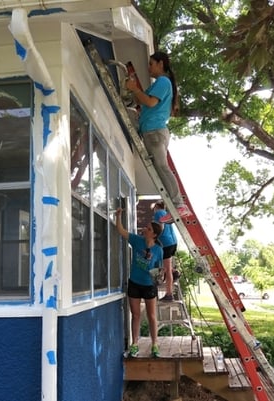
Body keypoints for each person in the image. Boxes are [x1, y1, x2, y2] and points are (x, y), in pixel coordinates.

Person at [125, 51, 191, 223]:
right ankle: (176, 205)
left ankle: (179, 204)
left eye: (151, 64)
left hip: (155, 132)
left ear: (161, 64)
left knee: (162, 166)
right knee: (160, 168)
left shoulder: (163, 81)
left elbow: (150, 102)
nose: (149, 68)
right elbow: (142, 101)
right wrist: (133, 92)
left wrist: (135, 89)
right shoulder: (159, 84)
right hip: (150, 130)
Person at [114, 208, 164, 358]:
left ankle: (155, 344)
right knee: (135, 315)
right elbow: (121, 231)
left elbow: (159, 269)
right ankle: (135, 344)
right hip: (134, 283)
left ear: (154, 234)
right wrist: (118, 216)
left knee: (151, 316)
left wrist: (158, 276)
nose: (144, 229)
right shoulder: (137, 240)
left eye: (148, 229)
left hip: (149, 286)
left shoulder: (158, 250)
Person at [152, 201, 178, 301]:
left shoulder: (158, 213)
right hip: (173, 242)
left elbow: (160, 227)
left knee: (166, 269)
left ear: (156, 207)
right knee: (166, 266)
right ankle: (173, 272)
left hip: (165, 243)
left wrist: (154, 237)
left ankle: (169, 294)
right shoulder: (167, 214)